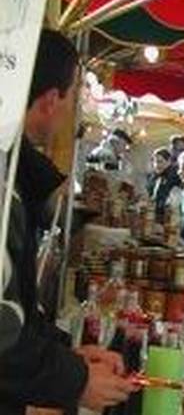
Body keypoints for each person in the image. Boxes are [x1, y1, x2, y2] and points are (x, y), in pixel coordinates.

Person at [1, 29, 136, 413]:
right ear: (49, 101)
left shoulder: (16, 167)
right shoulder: (6, 179)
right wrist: (74, 378)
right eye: (74, 94)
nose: (73, 111)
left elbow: (17, 304)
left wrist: (68, 355)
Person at [149, 147, 182, 222]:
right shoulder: (154, 177)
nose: (156, 165)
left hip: (168, 217)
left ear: (169, 161)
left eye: (160, 162)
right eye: (154, 162)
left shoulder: (173, 177)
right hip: (157, 214)